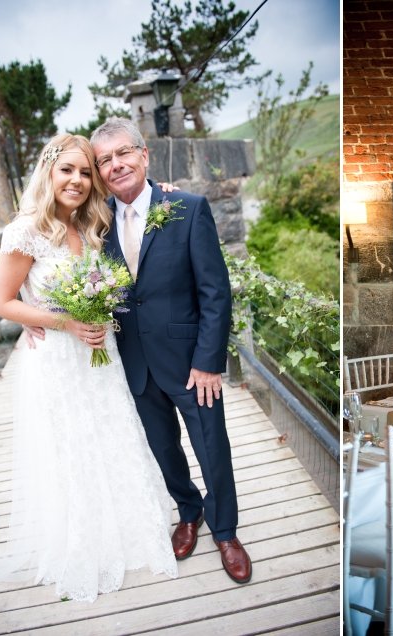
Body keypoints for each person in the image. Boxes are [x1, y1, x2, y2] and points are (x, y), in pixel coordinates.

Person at [0, 133, 178, 602]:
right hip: (58, 360)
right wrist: (63, 322)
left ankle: (133, 529)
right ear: (48, 173)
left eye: (84, 172)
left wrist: (164, 191)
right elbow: (1, 302)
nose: (76, 180)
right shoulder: (25, 231)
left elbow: (141, 211)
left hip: (102, 355)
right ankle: (85, 543)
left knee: (113, 435)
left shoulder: (95, 222)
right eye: (67, 170)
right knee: (72, 447)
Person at [90, 117, 251, 583]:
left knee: (211, 447)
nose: (115, 165)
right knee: (163, 448)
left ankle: (226, 532)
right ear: (100, 171)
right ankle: (189, 511)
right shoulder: (97, 222)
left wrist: (208, 362)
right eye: (105, 160)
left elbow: (215, 293)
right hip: (135, 364)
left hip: (189, 362)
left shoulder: (188, 207)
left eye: (123, 153)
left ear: (144, 155)